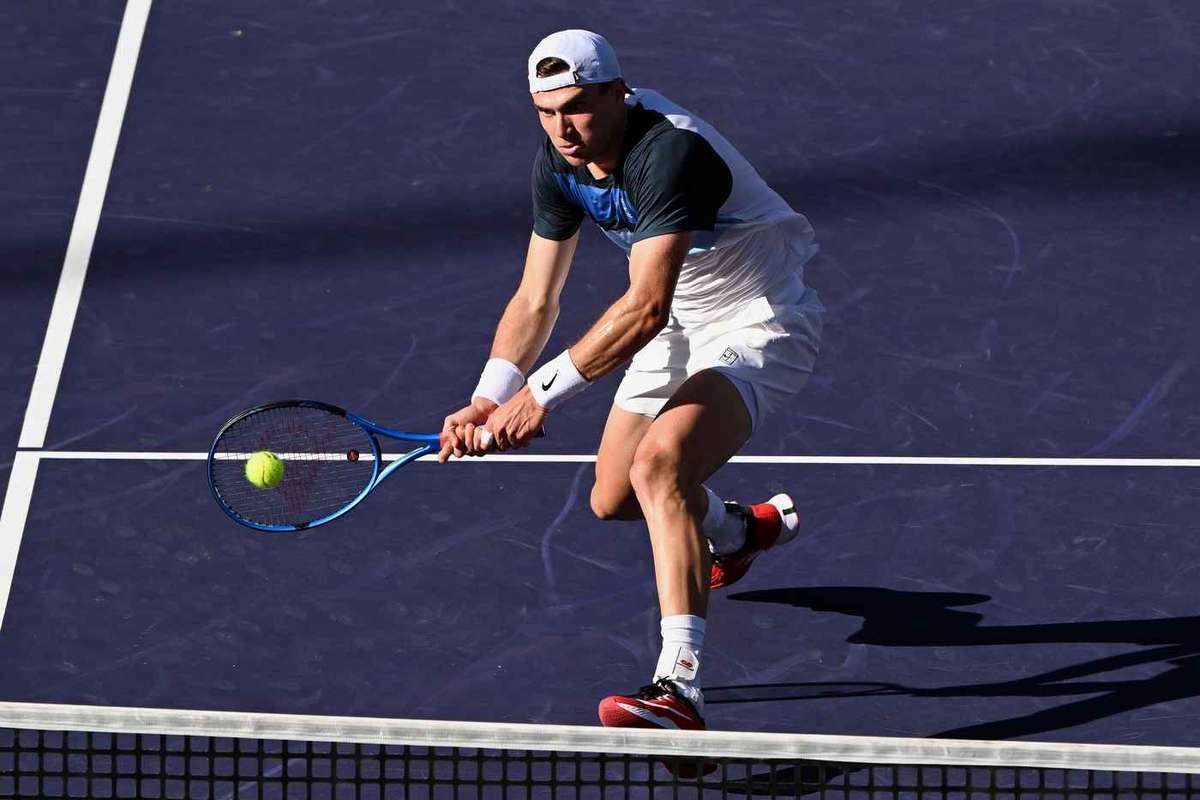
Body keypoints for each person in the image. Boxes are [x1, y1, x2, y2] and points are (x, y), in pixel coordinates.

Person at [437, 29, 824, 731]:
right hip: (679, 321)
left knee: (660, 468)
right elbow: (535, 300)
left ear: (619, 92)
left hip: (758, 319)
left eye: (581, 107)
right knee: (614, 497)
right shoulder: (556, 160)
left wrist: (539, 395)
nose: (565, 128)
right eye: (547, 112)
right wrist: (488, 397)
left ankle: (679, 689)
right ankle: (735, 533)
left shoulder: (668, 152)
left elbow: (642, 308)